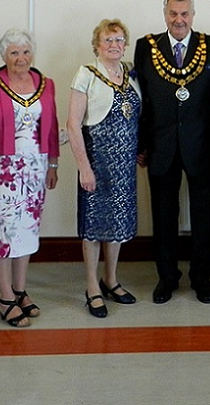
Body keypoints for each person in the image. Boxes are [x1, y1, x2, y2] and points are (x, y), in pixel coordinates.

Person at [134, 0, 210, 304]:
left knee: (204, 216)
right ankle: (167, 278)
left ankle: (202, 278)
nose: (179, 19)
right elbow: (142, 98)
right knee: (163, 216)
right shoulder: (146, 47)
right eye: (173, 13)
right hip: (160, 144)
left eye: (184, 13)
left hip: (201, 145)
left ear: (193, 15)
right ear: (165, 15)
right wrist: (141, 143)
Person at [0, 29, 59, 328]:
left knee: (26, 232)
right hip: (2, 170)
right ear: (4, 56)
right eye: (14, 53)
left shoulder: (46, 84)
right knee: (1, 233)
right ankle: (5, 297)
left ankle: (20, 290)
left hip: (35, 169)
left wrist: (53, 164)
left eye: (25, 52)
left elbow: (51, 127)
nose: (21, 58)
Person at [68, 19, 143, 318]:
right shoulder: (86, 74)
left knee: (117, 224)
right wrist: (84, 168)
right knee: (94, 226)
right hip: (96, 164)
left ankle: (110, 280)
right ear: (97, 45)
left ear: (125, 44)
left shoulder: (131, 74)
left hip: (124, 166)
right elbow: (73, 124)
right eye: (108, 40)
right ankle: (92, 286)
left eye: (119, 40)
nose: (114, 45)